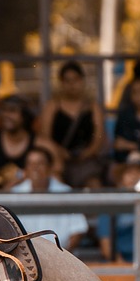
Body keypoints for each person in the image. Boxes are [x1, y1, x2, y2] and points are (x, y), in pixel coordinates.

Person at [37, 60, 105, 189]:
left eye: (75, 80)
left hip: (86, 162)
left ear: (82, 81)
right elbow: (45, 136)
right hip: (58, 161)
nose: (72, 85)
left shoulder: (93, 107)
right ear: (61, 83)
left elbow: (99, 137)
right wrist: (60, 152)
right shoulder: (52, 106)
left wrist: (86, 154)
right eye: (67, 81)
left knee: (94, 185)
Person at [10, 145, 88, 252]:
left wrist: (64, 256)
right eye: (31, 164)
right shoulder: (15, 194)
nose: (35, 168)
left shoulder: (65, 192)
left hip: (62, 257)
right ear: (26, 168)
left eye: (40, 163)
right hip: (27, 259)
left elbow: (78, 229)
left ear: (50, 167)